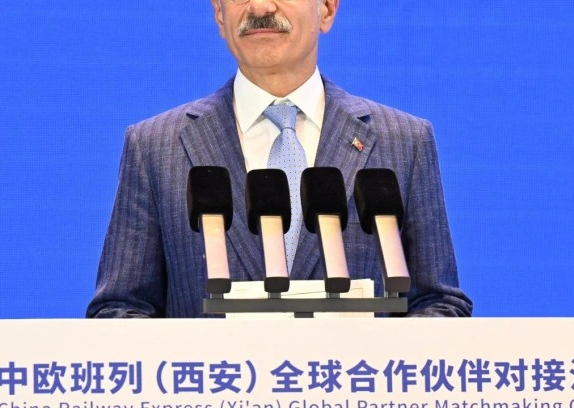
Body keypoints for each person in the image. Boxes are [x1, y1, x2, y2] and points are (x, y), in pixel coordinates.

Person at [86, 0, 472, 318]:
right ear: (219, 14)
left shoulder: (403, 142)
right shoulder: (155, 147)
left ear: (327, 9)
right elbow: (120, 308)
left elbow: (438, 302)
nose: (260, 7)